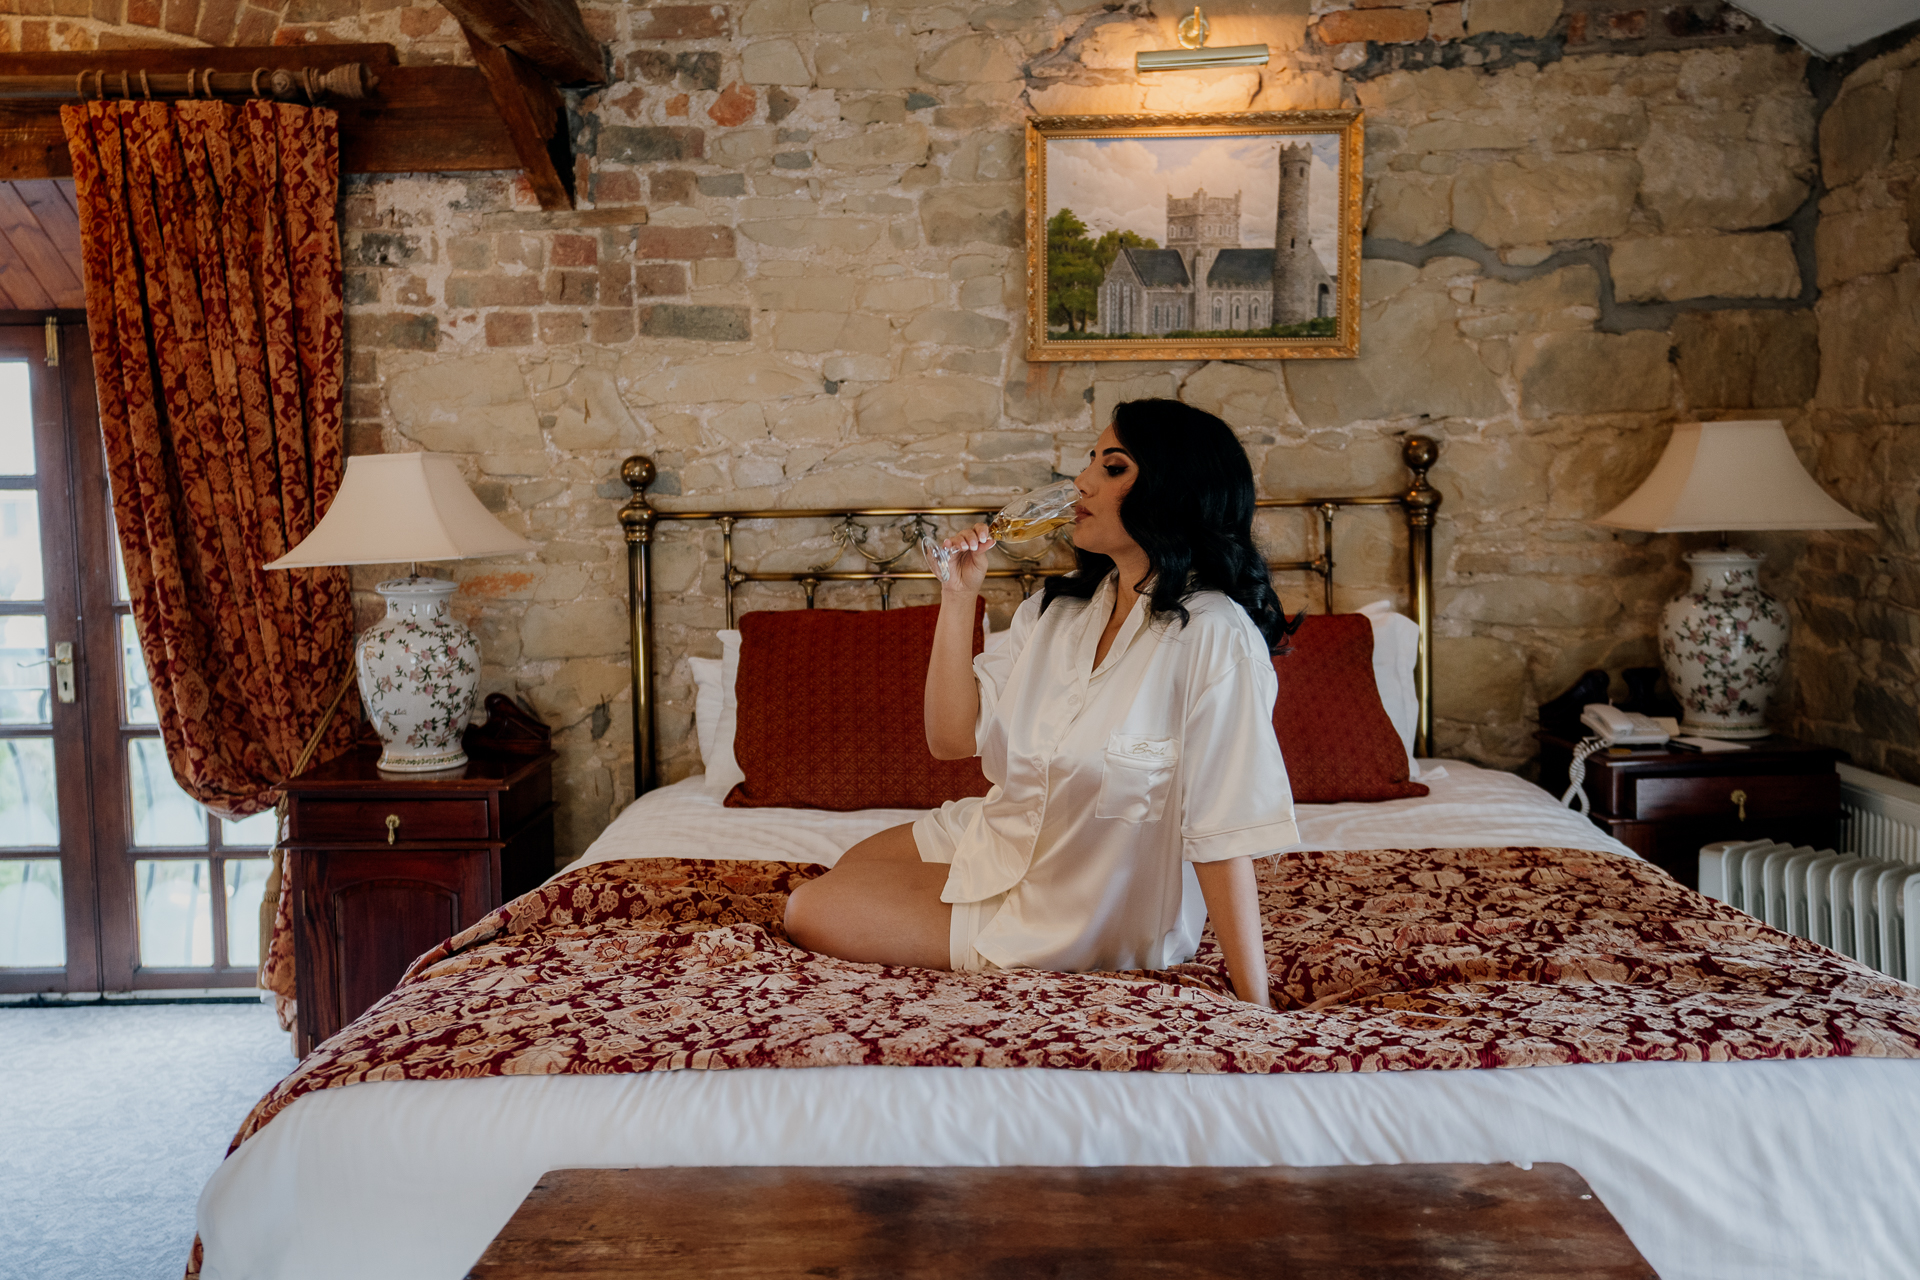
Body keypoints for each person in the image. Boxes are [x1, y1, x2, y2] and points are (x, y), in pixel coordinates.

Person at [783, 399, 1300, 1006]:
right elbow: (949, 741)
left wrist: (1256, 1002)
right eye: (1090, 462)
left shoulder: (1214, 634)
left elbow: (1222, 829)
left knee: (808, 907)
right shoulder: (1056, 613)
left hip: (1081, 899)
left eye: (1114, 468)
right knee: (850, 867)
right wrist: (958, 597)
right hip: (1002, 833)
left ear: (1175, 490)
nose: (1081, 481)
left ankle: (1010, 938)